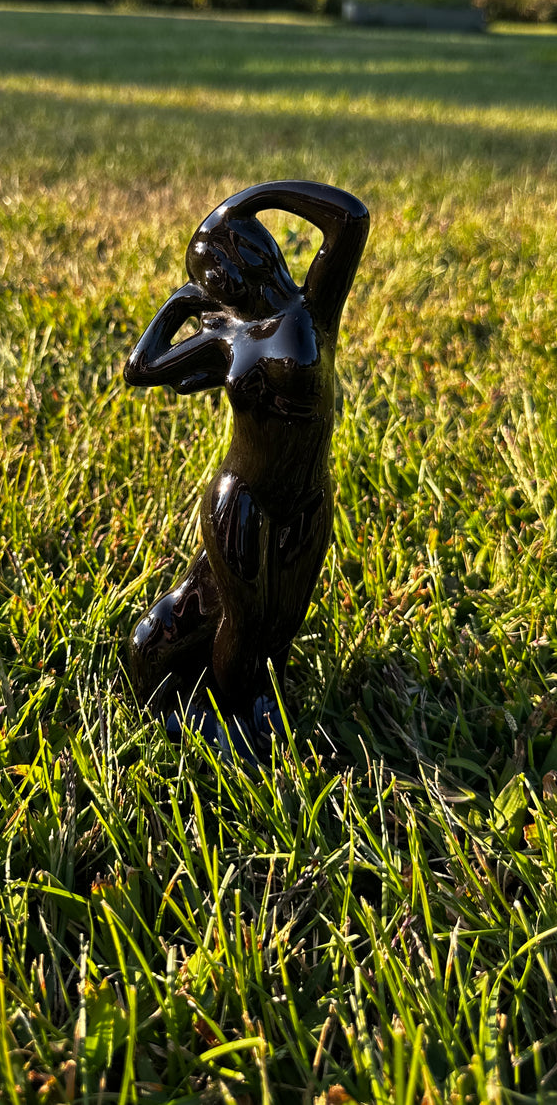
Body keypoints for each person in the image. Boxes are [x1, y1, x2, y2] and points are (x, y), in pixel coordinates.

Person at [124, 179, 369, 729]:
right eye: (204, 277)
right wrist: (180, 303)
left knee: (284, 614)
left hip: (308, 496)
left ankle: (260, 699)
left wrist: (254, 199)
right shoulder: (230, 337)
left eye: (210, 270)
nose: (211, 284)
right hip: (242, 500)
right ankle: (234, 716)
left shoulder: (313, 308)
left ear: (246, 258)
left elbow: (350, 219)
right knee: (244, 617)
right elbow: (141, 368)